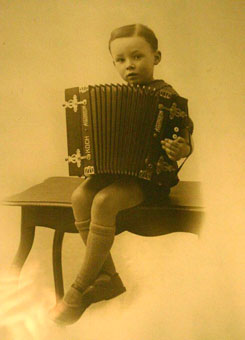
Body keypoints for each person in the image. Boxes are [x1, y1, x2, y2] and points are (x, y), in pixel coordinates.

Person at [49, 23, 193, 325]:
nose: (130, 65)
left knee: (103, 202)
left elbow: (185, 144)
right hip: (119, 175)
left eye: (138, 56)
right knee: (80, 195)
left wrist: (180, 149)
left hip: (151, 180)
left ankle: (77, 290)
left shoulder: (170, 99)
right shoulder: (118, 95)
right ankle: (108, 277)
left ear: (157, 57)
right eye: (121, 60)